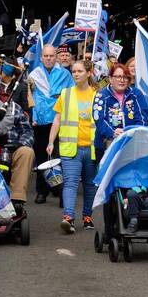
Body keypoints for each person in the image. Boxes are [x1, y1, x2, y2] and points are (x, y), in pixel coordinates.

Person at [47, 58, 99, 233]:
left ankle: (87, 216)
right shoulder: (66, 93)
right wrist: (50, 142)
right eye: (74, 71)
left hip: (92, 147)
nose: (76, 74)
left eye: (79, 71)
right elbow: (58, 119)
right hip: (71, 148)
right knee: (70, 183)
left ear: (89, 73)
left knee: (90, 185)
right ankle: (68, 217)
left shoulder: (98, 94)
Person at [28, 44, 74, 204]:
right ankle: (42, 191)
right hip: (40, 122)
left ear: (56, 57)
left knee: (59, 157)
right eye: (45, 56)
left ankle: (62, 193)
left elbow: (71, 96)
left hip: (59, 121)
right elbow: (30, 98)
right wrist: (32, 116)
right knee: (41, 157)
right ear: (41, 57)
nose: (48, 58)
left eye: (51, 56)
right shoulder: (34, 75)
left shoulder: (65, 74)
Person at [0, 72, 36, 218]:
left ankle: (16, 199)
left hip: (12, 148)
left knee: (27, 152)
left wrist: (20, 144)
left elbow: (28, 131)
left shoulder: (15, 108)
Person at [93, 62, 148, 159]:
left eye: (125, 77)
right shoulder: (101, 95)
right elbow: (99, 119)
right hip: (106, 145)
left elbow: (142, 117)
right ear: (110, 78)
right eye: (118, 77)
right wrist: (112, 132)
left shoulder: (136, 94)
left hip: (131, 145)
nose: (122, 80)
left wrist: (132, 134)